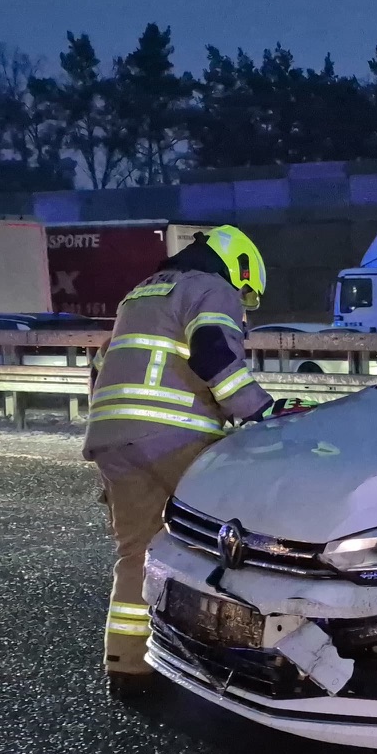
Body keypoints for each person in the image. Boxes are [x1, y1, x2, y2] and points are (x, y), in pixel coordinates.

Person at [84, 225, 300, 698]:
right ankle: (237, 667)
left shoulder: (141, 294)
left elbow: (102, 366)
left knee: (136, 554)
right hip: (176, 436)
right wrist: (259, 410)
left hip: (112, 438)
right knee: (232, 544)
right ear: (240, 269)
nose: (243, 303)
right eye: (246, 294)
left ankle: (128, 668)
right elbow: (213, 351)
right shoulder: (211, 288)